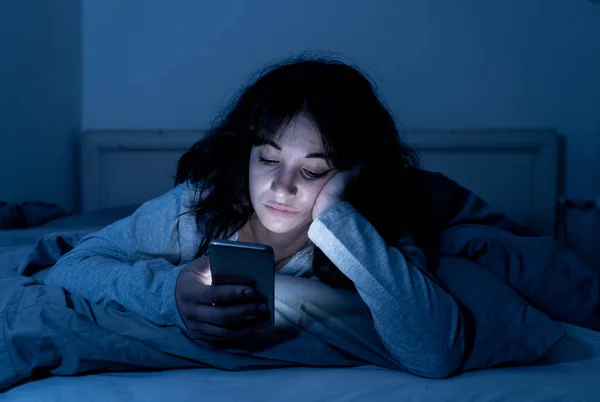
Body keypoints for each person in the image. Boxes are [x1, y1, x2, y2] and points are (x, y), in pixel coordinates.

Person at [42, 57, 466, 378]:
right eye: (268, 159)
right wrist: (170, 294)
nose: (282, 188)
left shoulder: (370, 230)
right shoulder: (196, 209)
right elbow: (72, 265)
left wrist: (336, 213)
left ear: (354, 176)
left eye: (314, 170)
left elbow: (435, 354)